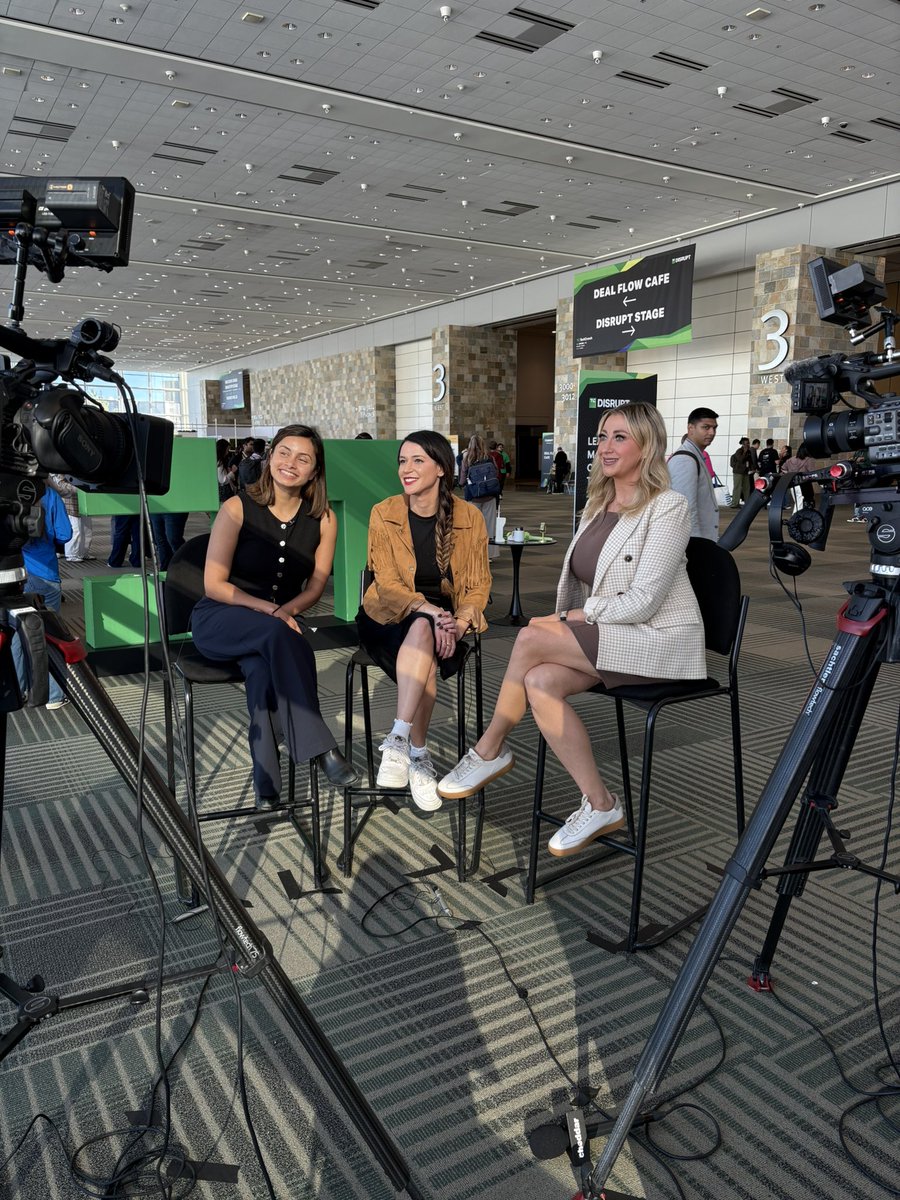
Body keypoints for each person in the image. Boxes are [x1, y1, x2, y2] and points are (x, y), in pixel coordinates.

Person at [437, 402, 704, 856]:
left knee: (529, 635)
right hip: (611, 637)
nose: (606, 445)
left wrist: (570, 620)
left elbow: (645, 601)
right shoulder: (598, 503)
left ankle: (489, 748)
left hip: (658, 640)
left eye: (620, 436)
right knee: (539, 680)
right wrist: (571, 621)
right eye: (603, 436)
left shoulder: (669, 507)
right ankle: (602, 804)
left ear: (648, 444)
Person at [190, 424, 357, 809]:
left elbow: (315, 586)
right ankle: (321, 748)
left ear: (315, 471)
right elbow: (214, 585)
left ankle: (266, 786)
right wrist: (271, 611)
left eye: (303, 458)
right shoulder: (236, 508)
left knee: (264, 672)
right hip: (221, 617)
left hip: (272, 628)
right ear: (270, 457)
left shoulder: (325, 519)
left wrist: (287, 611)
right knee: (284, 636)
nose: (290, 463)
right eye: (283, 452)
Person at [357, 431, 491, 812]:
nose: (407, 469)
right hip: (386, 615)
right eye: (402, 461)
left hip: (447, 624)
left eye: (417, 460)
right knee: (420, 626)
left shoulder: (470, 517)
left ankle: (403, 747)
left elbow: (479, 584)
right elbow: (387, 584)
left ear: (441, 468)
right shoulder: (384, 512)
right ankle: (414, 751)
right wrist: (432, 613)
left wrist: (459, 622)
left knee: (425, 635)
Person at [11, 486, 73, 710]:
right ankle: (54, 695)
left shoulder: (8, 490)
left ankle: (19, 690)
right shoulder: (49, 494)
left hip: (13, 575)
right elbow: (65, 534)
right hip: (45, 574)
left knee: (16, 635)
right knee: (48, 635)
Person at [667, 407, 719, 541]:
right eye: (706, 427)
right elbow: (686, 509)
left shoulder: (694, 455)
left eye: (714, 428)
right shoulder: (685, 460)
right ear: (691, 428)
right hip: (693, 543)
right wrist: (695, 546)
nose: (712, 432)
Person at [459, 434, 500, 559]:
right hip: (490, 495)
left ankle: (474, 554)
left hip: (473, 496)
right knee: (490, 526)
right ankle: (489, 555)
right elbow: (496, 473)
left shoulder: (467, 459)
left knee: (473, 526)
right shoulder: (489, 458)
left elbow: (462, 480)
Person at [50, 474, 95, 562]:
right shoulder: (60, 474)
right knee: (76, 529)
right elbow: (62, 486)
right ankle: (71, 554)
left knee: (87, 530)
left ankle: (83, 552)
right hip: (71, 503)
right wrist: (81, 488)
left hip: (84, 502)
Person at [780, 442, 817, 508]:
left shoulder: (791, 459)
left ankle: (797, 517)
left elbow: (783, 468)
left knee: (797, 504)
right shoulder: (809, 459)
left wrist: (789, 474)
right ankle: (796, 517)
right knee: (800, 506)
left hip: (793, 484)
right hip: (804, 485)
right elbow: (813, 472)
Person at [729, 437, 753, 508]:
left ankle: (747, 503)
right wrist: (745, 452)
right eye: (746, 443)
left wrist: (752, 468)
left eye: (748, 443)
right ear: (743, 444)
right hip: (738, 472)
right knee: (737, 487)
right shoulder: (739, 451)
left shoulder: (749, 451)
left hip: (745, 472)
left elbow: (750, 461)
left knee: (747, 487)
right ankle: (735, 503)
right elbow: (740, 460)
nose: (748, 444)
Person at [216, 438, 237, 503]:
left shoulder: (217, 461)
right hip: (224, 493)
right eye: (227, 450)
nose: (227, 453)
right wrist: (232, 472)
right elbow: (223, 480)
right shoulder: (220, 462)